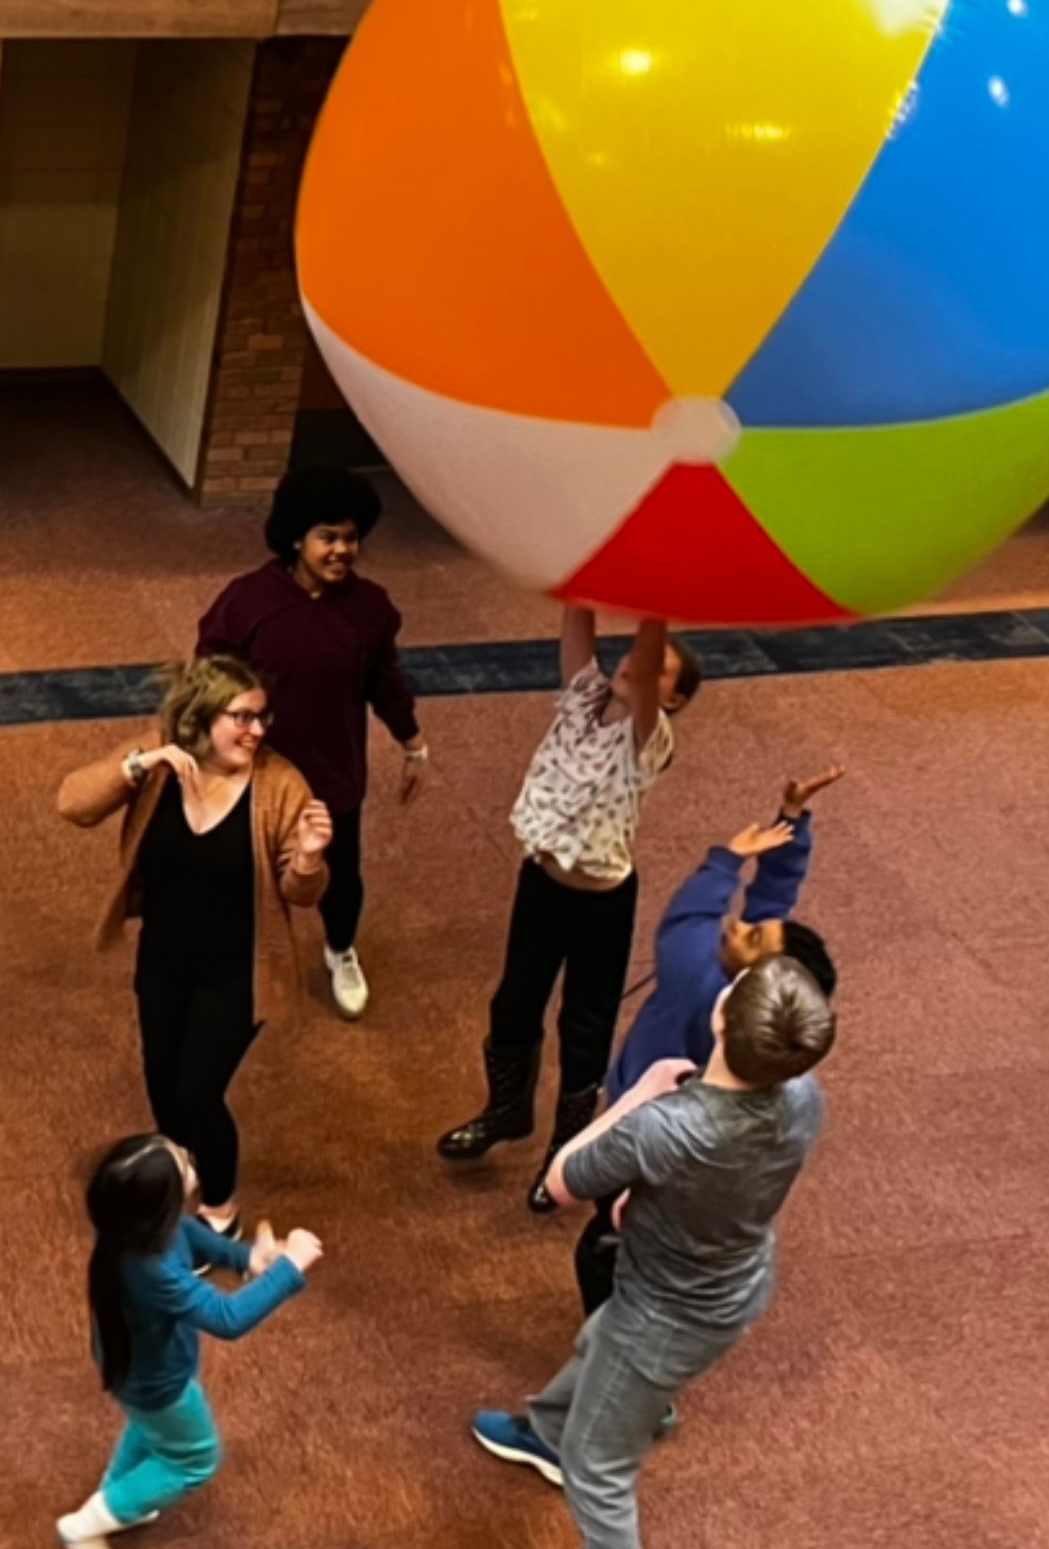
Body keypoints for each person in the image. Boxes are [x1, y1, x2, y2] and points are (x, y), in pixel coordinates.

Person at [471, 953, 836, 1549]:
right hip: (731, 1286)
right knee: (601, 1345)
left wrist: (634, 1096)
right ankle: (552, 1426)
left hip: (667, 1311)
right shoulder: (802, 1097)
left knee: (601, 1470)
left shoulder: (668, 1127)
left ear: (722, 1023)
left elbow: (563, 1181)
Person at [58, 656, 331, 1250]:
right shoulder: (160, 759)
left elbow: (301, 893)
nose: (257, 731)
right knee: (160, 1078)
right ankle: (180, 1175)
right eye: (243, 718)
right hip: (164, 959)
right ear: (201, 718)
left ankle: (220, 1207)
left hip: (239, 972)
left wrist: (308, 857)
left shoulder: (279, 784)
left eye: (263, 718)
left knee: (197, 1091)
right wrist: (138, 764)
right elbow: (73, 804)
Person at [437, 605, 702, 1211]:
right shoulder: (584, 699)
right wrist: (578, 571)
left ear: (672, 702)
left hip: (601, 905)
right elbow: (576, 623)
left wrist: (655, 600)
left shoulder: (649, 739)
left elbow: (652, 641)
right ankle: (506, 1110)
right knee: (513, 1002)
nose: (637, 660)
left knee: (583, 1027)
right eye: (637, 653)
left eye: (657, 667)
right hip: (542, 881)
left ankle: (569, 1150)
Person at [574, 768, 841, 1316]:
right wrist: (789, 821)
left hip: (643, 1123)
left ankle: (612, 1330)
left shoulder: (697, 977)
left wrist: (726, 858)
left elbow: (687, 921)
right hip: (700, 1141)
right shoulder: (759, 1005)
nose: (737, 926)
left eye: (751, 937)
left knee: (606, 1241)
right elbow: (774, 905)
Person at [197, 466, 427, 1022]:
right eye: (328, 537)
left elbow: (383, 679)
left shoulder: (370, 608)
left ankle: (339, 949)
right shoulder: (247, 601)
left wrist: (412, 741)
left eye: (350, 538)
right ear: (297, 537)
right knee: (237, 868)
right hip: (255, 771)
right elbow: (208, 679)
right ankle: (230, 959)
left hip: (333, 772)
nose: (342, 549)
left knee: (340, 874)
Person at [57, 1133, 322, 1549]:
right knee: (194, 1459)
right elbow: (227, 1318)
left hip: (137, 1371)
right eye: (184, 1164)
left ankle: (116, 1498)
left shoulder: (139, 1228)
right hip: (158, 1380)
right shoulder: (151, 1268)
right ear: (163, 1200)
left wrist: (248, 1259)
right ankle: (85, 1527)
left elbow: (198, 1240)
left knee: (150, 1430)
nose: (191, 1159)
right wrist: (289, 1269)